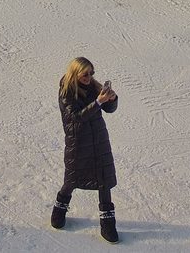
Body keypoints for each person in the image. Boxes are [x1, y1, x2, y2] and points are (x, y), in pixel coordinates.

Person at [52, 57, 119, 243]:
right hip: (78, 144)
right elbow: (75, 119)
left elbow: (110, 109)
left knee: (104, 179)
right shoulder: (66, 92)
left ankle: (108, 224)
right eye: (85, 74)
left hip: (99, 139)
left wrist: (112, 99)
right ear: (75, 74)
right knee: (71, 180)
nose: (89, 77)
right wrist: (97, 102)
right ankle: (59, 210)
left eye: (91, 73)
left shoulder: (94, 86)